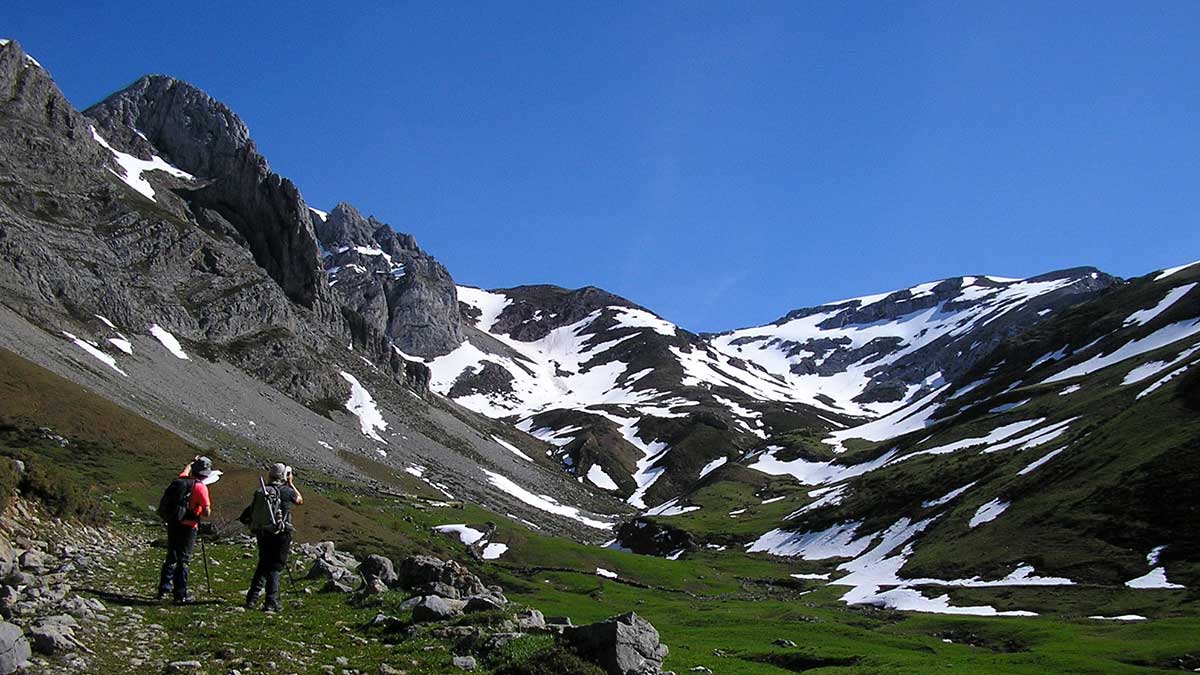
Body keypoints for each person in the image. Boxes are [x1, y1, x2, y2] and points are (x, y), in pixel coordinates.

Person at [243, 463, 303, 613]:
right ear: (284, 476)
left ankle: (252, 598)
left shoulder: (263, 491)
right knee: (275, 567)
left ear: (270, 475)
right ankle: (271, 602)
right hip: (281, 534)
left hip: (263, 532)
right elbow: (300, 500)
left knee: (263, 564)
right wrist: (291, 483)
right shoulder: (287, 492)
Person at [157, 456, 213, 604]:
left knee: (171, 556)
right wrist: (199, 508)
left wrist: (192, 462)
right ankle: (180, 594)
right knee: (184, 559)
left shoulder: (182, 480)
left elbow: (185, 470)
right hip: (189, 526)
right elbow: (207, 512)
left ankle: (163, 589)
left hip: (174, 522)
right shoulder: (201, 487)